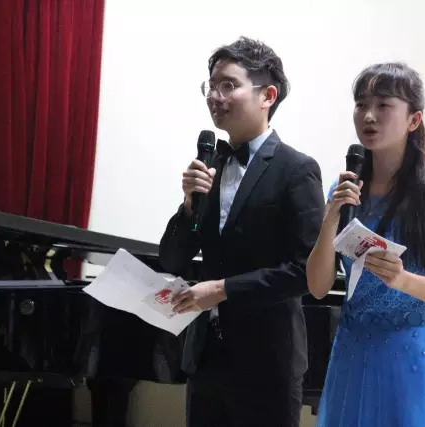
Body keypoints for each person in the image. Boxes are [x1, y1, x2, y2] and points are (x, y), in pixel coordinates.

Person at [158, 36, 325, 427]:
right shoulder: (211, 165)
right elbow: (172, 259)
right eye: (211, 86)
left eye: (228, 85)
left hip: (268, 364)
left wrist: (222, 290)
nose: (214, 96)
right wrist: (189, 205)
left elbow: (305, 271)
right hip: (206, 361)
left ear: (267, 95)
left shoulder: (296, 169)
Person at [306, 62, 425, 426]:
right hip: (353, 349)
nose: (369, 116)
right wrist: (331, 215)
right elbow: (318, 287)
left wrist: (402, 280)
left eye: (383, 105)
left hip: (412, 352)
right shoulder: (344, 190)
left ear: (414, 120)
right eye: (361, 104)